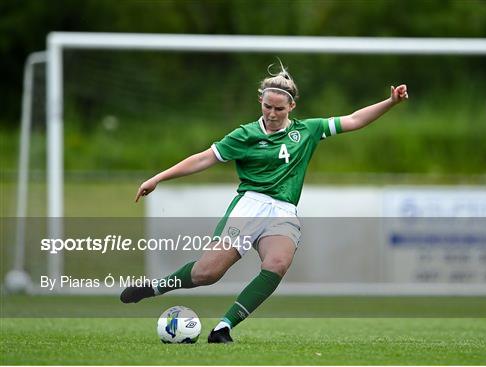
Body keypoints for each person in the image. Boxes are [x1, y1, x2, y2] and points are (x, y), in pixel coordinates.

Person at [120, 61, 408, 343]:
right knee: (207, 273)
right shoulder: (244, 135)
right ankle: (156, 287)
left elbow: (355, 119)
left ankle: (223, 327)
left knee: (278, 263)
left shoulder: (307, 130)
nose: (272, 113)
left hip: (283, 211)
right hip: (249, 206)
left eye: (279, 108)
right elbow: (204, 158)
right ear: (260, 101)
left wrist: (390, 102)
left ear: (292, 107)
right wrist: (158, 177)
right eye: (267, 106)